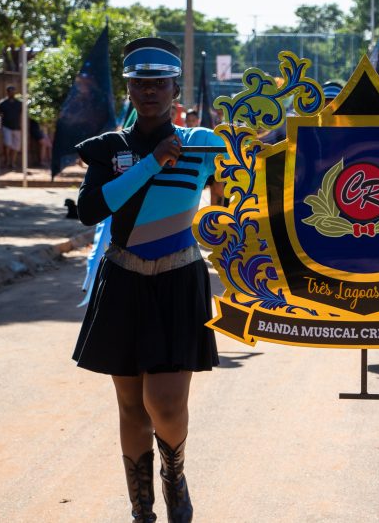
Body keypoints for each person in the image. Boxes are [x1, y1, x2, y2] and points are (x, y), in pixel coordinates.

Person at [73, 37, 225, 523]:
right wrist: (153, 162)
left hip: (179, 280)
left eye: (159, 82)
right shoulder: (109, 148)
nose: (150, 91)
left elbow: (236, 189)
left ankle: (174, 473)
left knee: (164, 402)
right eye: (140, 83)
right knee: (131, 407)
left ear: (175, 88)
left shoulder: (202, 144)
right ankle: (142, 510)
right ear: (130, 88)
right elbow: (91, 209)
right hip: (123, 279)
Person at [0, 85, 23, 169]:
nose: (12, 93)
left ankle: (12, 162)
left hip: (17, 127)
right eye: (10, 91)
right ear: (7, 92)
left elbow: (21, 114)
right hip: (6, 126)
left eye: (13, 91)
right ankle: (6, 160)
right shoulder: (3, 103)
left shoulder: (19, 103)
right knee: (7, 144)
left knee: (16, 146)